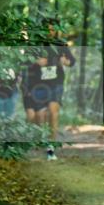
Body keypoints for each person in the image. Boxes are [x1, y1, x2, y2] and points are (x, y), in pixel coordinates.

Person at [22, 22, 75, 160]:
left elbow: (72, 61)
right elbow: (24, 62)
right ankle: (41, 139)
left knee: (53, 112)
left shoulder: (60, 44)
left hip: (56, 84)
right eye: (47, 29)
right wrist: (35, 61)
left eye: (53, 29)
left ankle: (51, 147)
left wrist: (66, 61)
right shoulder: (35, 44)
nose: (50, 32)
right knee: (39, 116)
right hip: (38, 85)